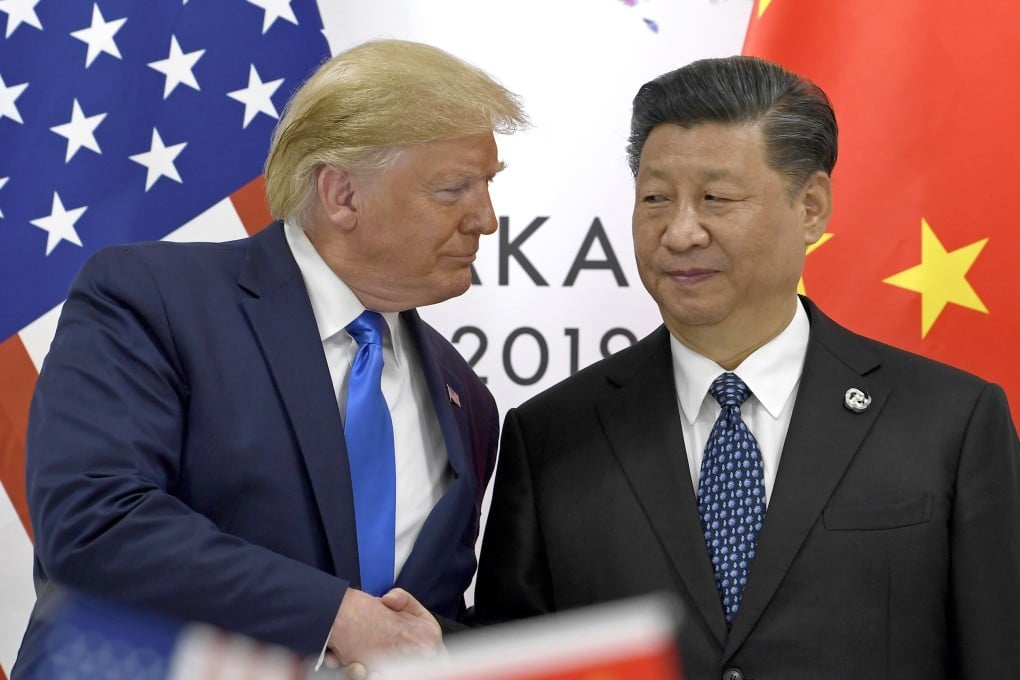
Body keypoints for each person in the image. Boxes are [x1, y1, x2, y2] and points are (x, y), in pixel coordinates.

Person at [474, 55, 1020, 679]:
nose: (679, 233)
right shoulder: (552, 436)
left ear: (811, 206)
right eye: (655, 198)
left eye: (716, 198)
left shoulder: (949, 422)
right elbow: (511, 660)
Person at [14, 38, 526, 675]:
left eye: (488, 185)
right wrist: (337, 617)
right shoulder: (152, 300)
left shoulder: (466, 399)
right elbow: (94, 522)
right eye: (454, 189)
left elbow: (417, 630)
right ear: (341, 196)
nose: (486, 219)